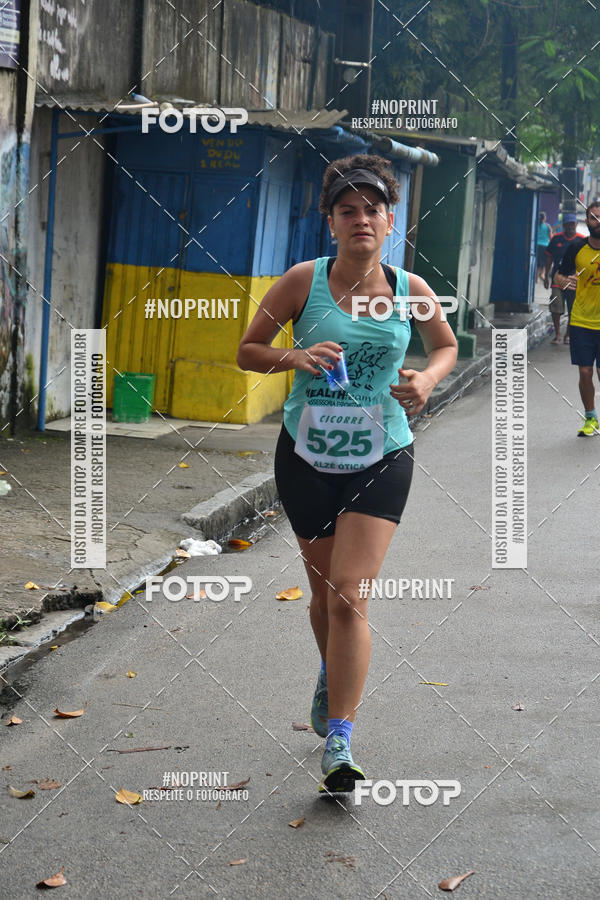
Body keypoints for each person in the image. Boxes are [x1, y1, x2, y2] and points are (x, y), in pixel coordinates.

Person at [237, 155, 458, 792]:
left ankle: (340, 739)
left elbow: (443, 345)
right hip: (306, 456)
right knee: (325, 598)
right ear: (331, 220)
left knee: (350, 594)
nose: (361, 219)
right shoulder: (301, 283)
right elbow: (249, 350)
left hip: (381, 453)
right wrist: (296, 356)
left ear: (390, 221)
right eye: (348, 210)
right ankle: (333, 677)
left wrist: (428, 380)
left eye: (372, 210)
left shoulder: (411, 291)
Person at [555, 200, 600, 436]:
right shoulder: (576, 249)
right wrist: (565, 281)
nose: (598, 222)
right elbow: (559, 275)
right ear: (587, 221)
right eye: (594, 218)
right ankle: (590, 417)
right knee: (585, 372)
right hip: (581, 321)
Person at [543, 213, 584, 344]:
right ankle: (557, 334)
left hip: (575, 281)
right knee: (556, 307)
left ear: (576, 224)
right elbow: (549, 257)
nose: (570, 226)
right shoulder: (556, 239)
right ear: (563, 225)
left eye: (573, 224)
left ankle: (568, 334)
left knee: (574, 310)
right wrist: (546, 276)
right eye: (568, 224)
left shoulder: (582, 240)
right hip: (557, 279)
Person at [536, 212, 552, 283]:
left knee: (538, 262)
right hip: (545, 246)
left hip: (537, 245)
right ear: (545, 218)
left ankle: (536, 277)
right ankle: (542, 274)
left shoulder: (535, 225)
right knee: (545, 261)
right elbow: (550, 237)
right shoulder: (547, 226)